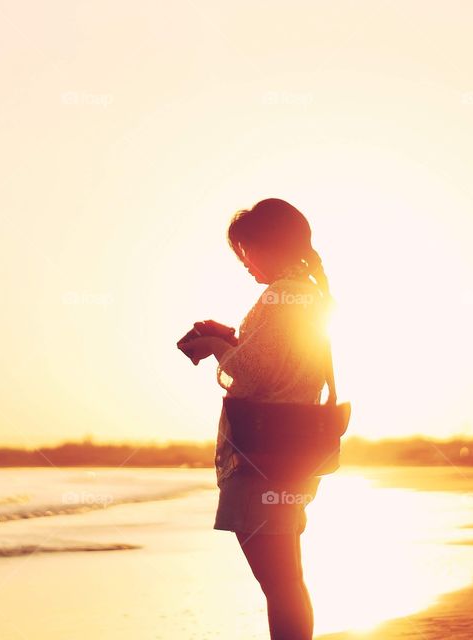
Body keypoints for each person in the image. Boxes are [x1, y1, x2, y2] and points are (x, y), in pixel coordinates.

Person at [180, 198, 335, 640]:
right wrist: (231, 337)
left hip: (261, 462)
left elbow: (254, 377)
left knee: (279, 583)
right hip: (291, 457)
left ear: (269, 245)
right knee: (287, 581)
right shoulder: (308, 295)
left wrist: (214, 346)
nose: (244, 263)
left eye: (246, 250)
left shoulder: (281, 298)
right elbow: (282, 365)